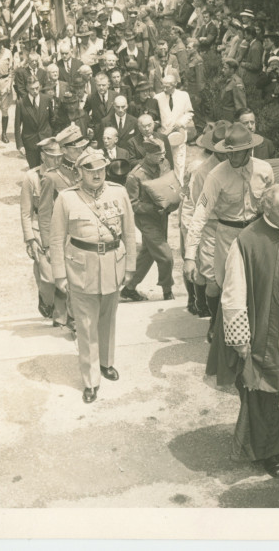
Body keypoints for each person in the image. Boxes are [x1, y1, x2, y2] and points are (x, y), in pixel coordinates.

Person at [218, 184, 279, 477]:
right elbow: (232, 295)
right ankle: (270, 453)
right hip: (264, 328)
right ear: (267, 209)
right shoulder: (246, 241)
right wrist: (241, 340)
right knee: (267, 392)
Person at [49, 149, 137, 403]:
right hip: (81, 268)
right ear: (80, 172)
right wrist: (59, 275)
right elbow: (56, 240)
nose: (96, 174)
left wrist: (130, 266)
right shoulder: (66, 199)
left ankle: (106, 363)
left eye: (100, 168)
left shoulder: (118, 193)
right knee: (86, 326)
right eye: (90, 169)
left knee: (108, 317)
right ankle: (90, 380)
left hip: (113, 263)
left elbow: (129, 232)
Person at [183, 122, 275, 332]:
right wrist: (189, 256)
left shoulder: (264, 170)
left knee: (257, 281)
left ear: (249, 150)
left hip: (255, 232)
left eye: (237, 153)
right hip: (225, 234)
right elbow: (200, 214)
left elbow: (271, 203)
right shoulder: (215, 175)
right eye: (228, 153)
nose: (231, 158)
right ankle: (217, 323)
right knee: (223, 284)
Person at [20, 137, 73, 330]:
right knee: (49, 278)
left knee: (64, 274)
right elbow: (26, 211)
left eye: (59, 156)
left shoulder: (63, 175)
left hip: (62, 231)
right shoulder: (32, 177)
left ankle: (61, 316)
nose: (57, 160)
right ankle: (45, 299)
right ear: (43, 156)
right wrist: (30, 239)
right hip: (40, 231)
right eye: (52, 157)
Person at [179, 121, 229, 317]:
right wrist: (191, 236)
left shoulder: (237, 164)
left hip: (228, 227)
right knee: (205, 272)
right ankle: (202, 305)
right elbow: (195, 205)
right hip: (204, 222)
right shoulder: (201, 170)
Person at [121, 138, 177, 302]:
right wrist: (153, 209)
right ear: (148, 154)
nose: (162, 157)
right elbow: (132, 204)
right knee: (165, 255)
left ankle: (129, 288)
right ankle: (167, 290)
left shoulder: (164, 163)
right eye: (158, 154)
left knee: (149, 253)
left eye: (163, 153)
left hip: (162, 216)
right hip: (146, 220)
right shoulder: (135, 176)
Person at [155, 73, 195, 185]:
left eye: (167, 86)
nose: (164, 88)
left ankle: (179, 185)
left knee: (179, 161)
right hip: (164, 135)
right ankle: (166, 186)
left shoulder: (184, 96)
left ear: (175, 85)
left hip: (179, 134)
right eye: (163, 85)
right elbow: (155, 117)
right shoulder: (157, 98)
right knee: (164, 162)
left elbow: (189, 112)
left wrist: (181, 122)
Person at [15, 77, 56, 169]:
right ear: (27, 88)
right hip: (30, 143)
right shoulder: (21, 103)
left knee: (48, 169)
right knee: (35, 170)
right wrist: (20, 145)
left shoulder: (46, 99)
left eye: (37, 88)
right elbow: (17, 126)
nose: (35, 91)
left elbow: (52, 119)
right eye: (32, 89)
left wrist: (54, 136)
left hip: (46, 141)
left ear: (40, 86)